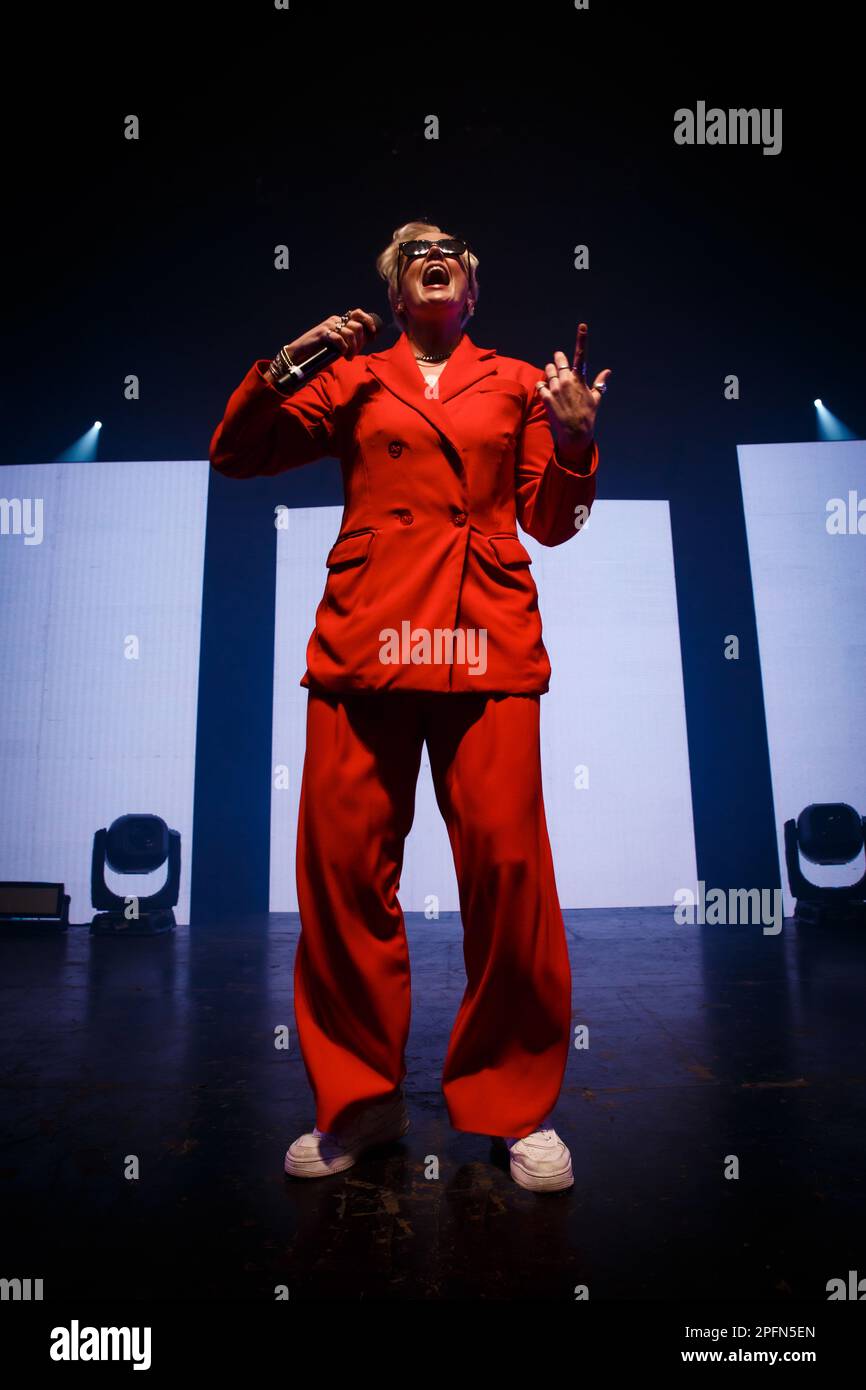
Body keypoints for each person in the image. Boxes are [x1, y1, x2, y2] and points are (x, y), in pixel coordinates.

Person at [209, 220, 611, 1193]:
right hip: (367, 637)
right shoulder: (347, 376)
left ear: (467, 287)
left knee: (508, 871)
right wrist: (299, 354)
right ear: (396, 291)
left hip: (484, 639)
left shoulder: (519, 380)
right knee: (343, 875)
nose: (433, 248)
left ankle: (512, 1103)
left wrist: (572, 437)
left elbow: (549, 525)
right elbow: (236, 453)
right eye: (412, 247)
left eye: (450, 246)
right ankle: (359, 1100)